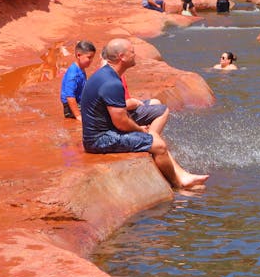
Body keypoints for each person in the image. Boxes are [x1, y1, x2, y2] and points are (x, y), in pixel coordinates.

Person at [80, 39, 209, 189]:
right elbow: (120, 121)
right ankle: (178, 184)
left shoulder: (106, 75)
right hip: (99, 140)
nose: (135, 55)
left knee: (152, 136)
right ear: (121, 56)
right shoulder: (112, 83)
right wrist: (140, 130)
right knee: (158, 146)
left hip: (102, 132)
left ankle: (182, 176)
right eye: (132, 52)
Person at [60, 40, 96, 121]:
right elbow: (69, 97)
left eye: (92, 58)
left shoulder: (80, 68)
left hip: (79, 102)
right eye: (89, 57)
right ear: (79, 55)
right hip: (71, 107)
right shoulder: (73, 74)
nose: (91, 61)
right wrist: (78, 116)